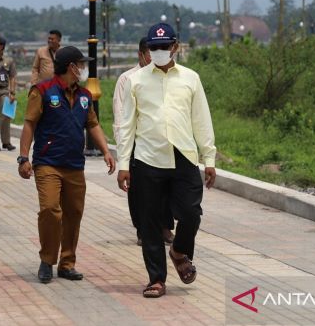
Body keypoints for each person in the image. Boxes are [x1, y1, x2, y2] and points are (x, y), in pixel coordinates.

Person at [116, 23, 217, 299]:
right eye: (154, 47)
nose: (159, 52)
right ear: (148, 49)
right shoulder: (136, 81)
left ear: (175, 47)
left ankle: (180, 251)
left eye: (164, 47)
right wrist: (123, 163)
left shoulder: (190, 78)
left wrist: (209, 157)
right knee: (149, 224)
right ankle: (156, 279)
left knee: (191, 213)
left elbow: (202, 120)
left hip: (184, 157)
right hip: (148, 159)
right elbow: (127, 126)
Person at [18, 46, 116, 284]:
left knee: (73, 214)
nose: (82, 69)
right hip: (47, 163)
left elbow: (92, 125)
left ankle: (67, 263)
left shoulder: (84, 96)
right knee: (51, 210)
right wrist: (23, 158)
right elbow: (29, 124)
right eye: (80, 65)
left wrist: (106, 151)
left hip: (74, 165)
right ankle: (47, 260)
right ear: (70, 67)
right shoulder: (41, 91)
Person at [113, 37, 174, 246]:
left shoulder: (164, 76)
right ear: (141, 54)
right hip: (136, 143)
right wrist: (124, 150)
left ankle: (165, 227)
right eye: (151, 52)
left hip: (161, 141)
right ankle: (142, 229)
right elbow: (120, 116)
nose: (156, 56)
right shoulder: (127, 79)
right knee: (138, 189)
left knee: (166, 186)